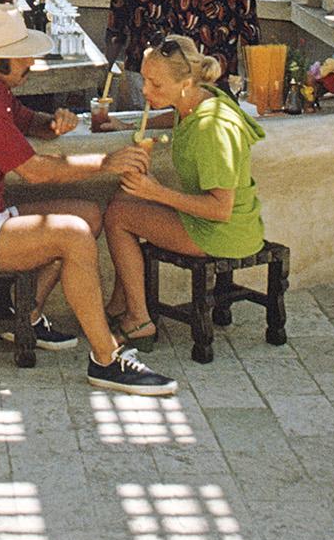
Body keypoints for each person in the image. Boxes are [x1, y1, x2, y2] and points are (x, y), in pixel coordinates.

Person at [0, 3, 178, 397]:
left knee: (88, 214)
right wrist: (106, 162)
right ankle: (106, 359)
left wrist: (52, 123)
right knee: (73, 234)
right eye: (22, 55)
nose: (31, 62)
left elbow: (25, 120)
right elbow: (35, 172)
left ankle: (28, 315)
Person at [100, 35, 268, 346]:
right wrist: (129, 126)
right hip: (218, 223)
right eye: (144, 81)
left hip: (224, 231)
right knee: (123, 198)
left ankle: (138, 320)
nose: (145, 91)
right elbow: (177, 115)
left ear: (186, 83)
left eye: (156, 84)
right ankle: (121, 304)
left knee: (118, 217)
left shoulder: (211, 128)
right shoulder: (198, 99)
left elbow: (220, 209)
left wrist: (155, 192)